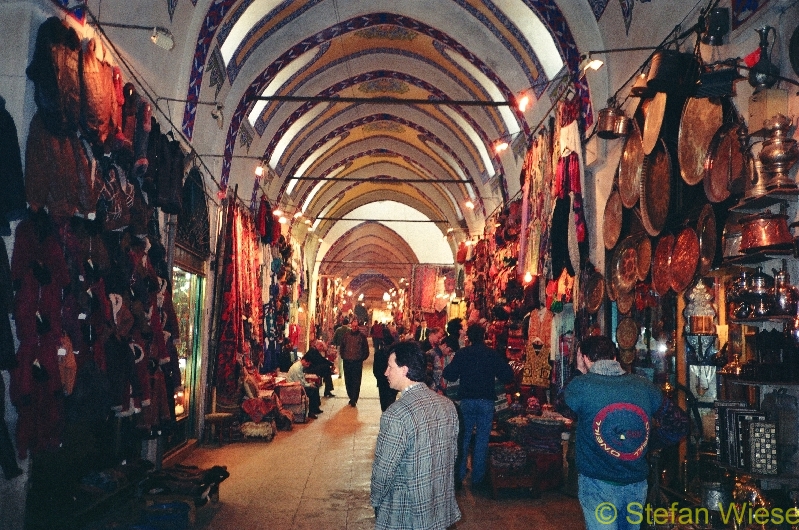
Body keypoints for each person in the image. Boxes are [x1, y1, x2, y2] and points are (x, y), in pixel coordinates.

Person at [564, 335, 662, 530]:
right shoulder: (644, 385)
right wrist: (646, 443)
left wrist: (579, 371)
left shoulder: (581, 386)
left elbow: (563, 407)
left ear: (584, 358)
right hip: (636, 483)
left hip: (597, 483)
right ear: (615, 357)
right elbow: (678, 423)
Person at [370, 342, 461, 530]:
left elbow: (383, 470)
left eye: (390, 366)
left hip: (406, 510)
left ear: (404, 370)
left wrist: (376, 501)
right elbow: (452, 456)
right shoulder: (447, 406)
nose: (386, 372)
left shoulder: (396, 414)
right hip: (438, 504)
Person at [442, 323, 514, 489]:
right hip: (486, 402)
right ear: (483, 336)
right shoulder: (491, 354)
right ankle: (477, 479)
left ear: (469, 338)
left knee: (464, 439)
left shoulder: (463, 354)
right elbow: (507, 375)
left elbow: (449, 374)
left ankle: (459, 477)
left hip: (466, 402)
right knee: (482, 440)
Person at [338, 318, 369, 407]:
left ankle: (354, 398)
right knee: (348, 380)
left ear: (358, 326)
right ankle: (350, 396)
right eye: (353, 326)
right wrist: (343, 356)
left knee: (356, 380)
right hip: (347, 361)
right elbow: (342, 347)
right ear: (351, 326)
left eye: (356, 326)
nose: (355, 327)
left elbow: (365, 350)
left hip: (357, 362)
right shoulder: (346, 335)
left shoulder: (362, 337)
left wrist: (361, 358)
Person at [373, 328, 398, 411]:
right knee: (391, 401)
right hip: (393, 380)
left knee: (383, 402)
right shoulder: (396, 354)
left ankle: (385, 416)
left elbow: (375, 370)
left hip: (382, 382)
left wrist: (380, 378)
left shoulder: (378, 354)